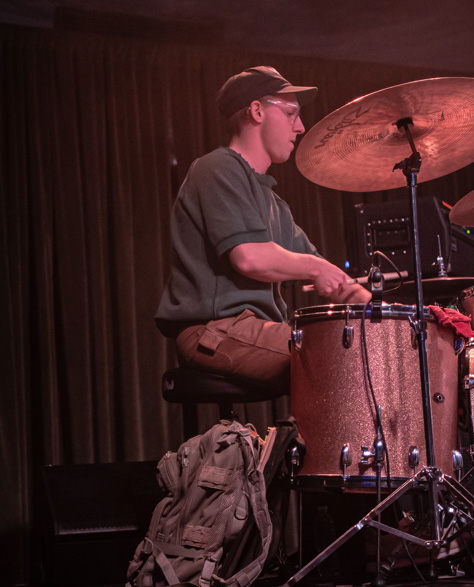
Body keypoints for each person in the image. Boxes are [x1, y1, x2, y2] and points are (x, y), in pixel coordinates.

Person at [155, 66, 370, 395]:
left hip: (252, 330)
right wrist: (316, 267)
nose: (300, 127)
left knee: (371, 348)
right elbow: (250, 258)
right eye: (291, 113)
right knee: (334, 353)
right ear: (257, 111)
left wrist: (384, 314)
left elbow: (330, 277)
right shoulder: (217, 168)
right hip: (212, 331)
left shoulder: (274, 205)